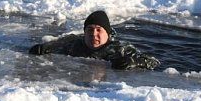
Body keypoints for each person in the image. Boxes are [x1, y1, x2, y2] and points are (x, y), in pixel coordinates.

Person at [28, 10, 160, 70]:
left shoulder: (121, 48)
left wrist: (134, 61)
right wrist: (45, 47)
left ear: (107, 34)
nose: (93, 34)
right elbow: (58, 44)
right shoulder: (74, 43)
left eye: (98, 30)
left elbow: (154, 62)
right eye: (90, 30)